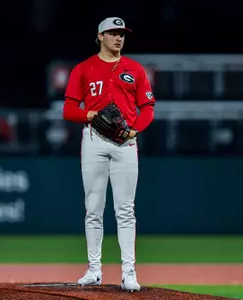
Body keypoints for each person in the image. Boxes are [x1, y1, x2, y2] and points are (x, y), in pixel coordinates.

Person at [62, 17, 155, 291]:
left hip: (125, 143)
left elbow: (147, 108)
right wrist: (89, 113)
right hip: (94, 140)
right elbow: (68, 110)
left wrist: (134, 130)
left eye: (122, 34)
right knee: (93, 209)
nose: (119, 38)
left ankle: (129, 272)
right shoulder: (83, 69)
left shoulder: (134, 69)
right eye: (113, 33)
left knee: (125, 210)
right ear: (100, 36)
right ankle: (94, 269)